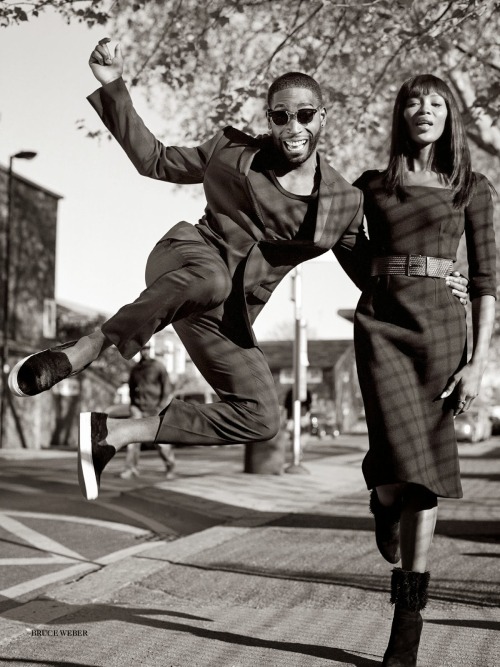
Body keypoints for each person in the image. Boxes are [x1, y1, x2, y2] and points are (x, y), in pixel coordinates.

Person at [8, 39, 468, 505]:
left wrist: (433, 275)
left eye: (305, 115)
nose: (293, 126)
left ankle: (117, 433)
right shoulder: (231, 151)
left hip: (225, 314)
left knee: (261, 416)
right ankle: (84, 348)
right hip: (185, 260)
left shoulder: (344, 202)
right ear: (269, 119)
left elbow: (372, 274)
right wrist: (114, 87)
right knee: (211, 278)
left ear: (322, 118)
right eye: (281, 116)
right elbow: (156, 160)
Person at [336, 74, 496, 666]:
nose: (423, 110)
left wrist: (478, 362)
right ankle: (381, 499)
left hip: (442, 335)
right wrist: (384, 276)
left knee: (423, 476)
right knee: (395, 468)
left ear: (449, 116)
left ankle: (407, 625)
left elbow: (485, 284)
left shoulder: (471, 188)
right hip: (381, 329)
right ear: (399, 114)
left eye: (435, 102)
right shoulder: (371, 187)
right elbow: (341, 239)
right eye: (412, 100)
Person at [120, 343, 175, 480]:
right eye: (142, 349)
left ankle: (170, 466)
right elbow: (131, 389)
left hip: (154, 409)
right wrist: (133, 405)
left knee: (160, 441)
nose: (144, 351)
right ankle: (131, 469)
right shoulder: (136, 369)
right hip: (138, 408)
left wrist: (160, 407)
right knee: (133, 440)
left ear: (150, 350)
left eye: (147, 349)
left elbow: (167, 388)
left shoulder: (158, 366)